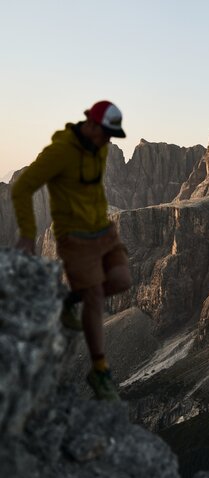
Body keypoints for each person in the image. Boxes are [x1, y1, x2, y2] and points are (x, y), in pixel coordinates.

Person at [11, 100, 132, 400]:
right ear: (90, 124)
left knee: (121, 280)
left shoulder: (100, 147)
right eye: (105, 132)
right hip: (74, 237)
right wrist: (27, 234)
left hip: (102, 231)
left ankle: (67, 299)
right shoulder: (60, 152)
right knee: (94, 294)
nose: (108, 140)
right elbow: (22, 187)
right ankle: (100, 370)